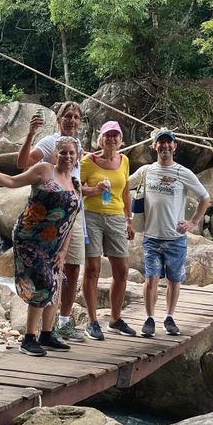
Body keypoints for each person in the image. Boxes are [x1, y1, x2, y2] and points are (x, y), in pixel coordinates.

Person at [0, 136, 82, 356]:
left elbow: (70, 221)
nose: (67, 156)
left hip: (54, 244)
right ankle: (29, 338)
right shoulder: (44, 170)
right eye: (63, 152)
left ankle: (46, 334)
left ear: (77, 156)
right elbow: (12, 182)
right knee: (43, 281)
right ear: (55, 154)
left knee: (55, 284)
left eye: (72, 153)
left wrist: (63, 251)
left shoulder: (75, 184)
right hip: (29, 238)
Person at [17, 101, 87, 343]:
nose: (72, 120)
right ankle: (33, 335)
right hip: (48, 221)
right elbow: (23, 164)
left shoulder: (79, 147)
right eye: (67, 116)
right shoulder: (50, 143)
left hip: (73, 216)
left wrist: (94, 190)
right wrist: (30, 134)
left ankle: (60, 325)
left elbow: (75, 183)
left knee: (70, 269)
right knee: (47, 274)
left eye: (76, 117)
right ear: (58, 119)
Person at [129, 129, 210, 338]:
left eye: (168, 143)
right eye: (161, 142)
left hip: (175, 238)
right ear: (154, 146)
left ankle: (169, 317)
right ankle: (149, 319)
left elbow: (205, 197)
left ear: (175, 146)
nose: (165, 146)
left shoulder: (183, 172)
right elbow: (123, 184)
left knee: (174, 280)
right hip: (151, 237)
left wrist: (193, 222)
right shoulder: (146, 171)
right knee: (151, 278)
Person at [79, 120, 135, 339]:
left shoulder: (124, 161)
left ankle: (115, 318)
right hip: (91, 216)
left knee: (121, 269)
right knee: (92, 268)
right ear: (100, 139)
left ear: (121, 140)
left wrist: (129, 220)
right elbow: (75, 187)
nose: (111, 139)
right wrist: (93, 189)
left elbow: (126, 191)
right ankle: (92, 321)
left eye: (115, 135)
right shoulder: (87, 161)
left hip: (116, 218)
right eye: (107, 135)